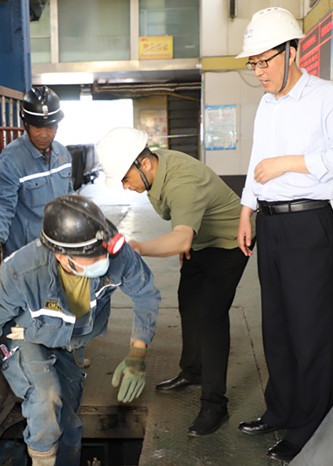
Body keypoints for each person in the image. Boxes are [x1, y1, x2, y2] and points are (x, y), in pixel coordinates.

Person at [234, 7, 333, 463]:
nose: (259, 71)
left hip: (309, 223)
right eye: (253, 64)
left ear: (293, 51)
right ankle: (281, 409)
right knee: (278, 326)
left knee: (311, 330)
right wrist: (247, 211)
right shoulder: (267, 105)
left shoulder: (327, 97)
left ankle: (309, 425)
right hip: (269, 222)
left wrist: (291, 162)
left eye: (265, 61)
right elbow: (255, 162)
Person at [0, 194, 160, 466]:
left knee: (69, 426)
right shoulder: (22, 272)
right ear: (62, 256)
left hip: (70, 343)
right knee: (46, 398)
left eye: (103, 253)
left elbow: (146, 293)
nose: (103, 260)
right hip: (24, 337)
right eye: (92, 258)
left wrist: (138, 353)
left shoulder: (114, 252)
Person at [96, 127, 252, 437]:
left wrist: (139, 247)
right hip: (200, 242)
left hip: (229, 242)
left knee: (210, 315)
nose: (126, 187)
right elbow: (184, 236)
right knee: (188, 303)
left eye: (126, 179)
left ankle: (214, 404)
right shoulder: (155, 165)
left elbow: (180, 238)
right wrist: (187, 244)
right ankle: (193, 371)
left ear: (145, 164)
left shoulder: (182, 181)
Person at [0, 85, 73, 266]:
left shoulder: (63, 155)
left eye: (49, 127)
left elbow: (70, 198)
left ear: (56, 126)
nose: (44, 134)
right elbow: (3, 203)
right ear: (26, 125)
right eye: (37, 128)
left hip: (61, 250)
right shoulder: (13, 158)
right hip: (27, 256)